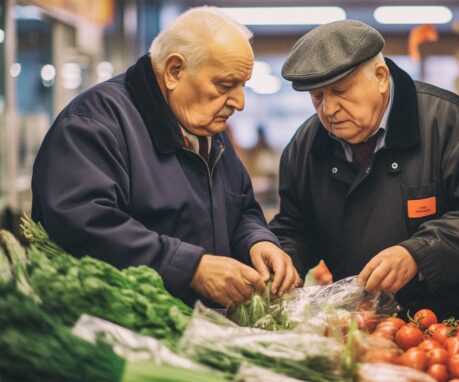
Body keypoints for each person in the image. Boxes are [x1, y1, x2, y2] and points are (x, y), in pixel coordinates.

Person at [270, 20, 459, 345]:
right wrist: (284, 261)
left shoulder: (452, 126)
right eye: (317, 97)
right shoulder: (306, 146)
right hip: (363, 334)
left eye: (340, 91)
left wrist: (419, 254)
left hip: (453, 336)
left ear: (380, 78)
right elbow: (296, 226)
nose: (329, 110)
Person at [31, 7, 300, 308]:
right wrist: (192, 267)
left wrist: (257, 241)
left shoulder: (209, 129)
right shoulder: (93, 124)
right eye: (225, 86)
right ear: (174, 71)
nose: (239, 102)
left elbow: (241, 209)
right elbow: (83, 224)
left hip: (199, 331)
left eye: (242, 85)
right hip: (121, 330)